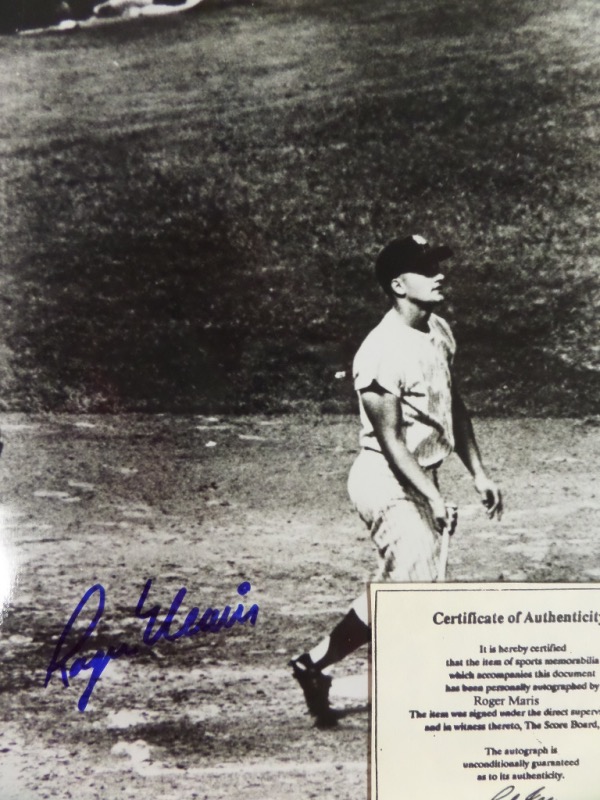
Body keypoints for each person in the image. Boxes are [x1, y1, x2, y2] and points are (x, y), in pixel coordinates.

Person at [289, 233, 502, 727]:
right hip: (384, 480)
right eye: (427, 270)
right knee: (417, 589)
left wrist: (479, 473)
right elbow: (391, 442)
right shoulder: (379, 352)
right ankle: (384, 689)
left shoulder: (440, 330)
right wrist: (432, 496)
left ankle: (314, 666)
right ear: (399, 284)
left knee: (403, 585)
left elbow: (454, 409)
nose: (439, 275)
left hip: (418, 478)